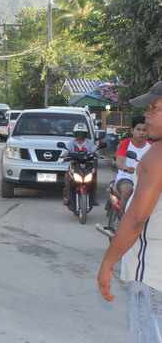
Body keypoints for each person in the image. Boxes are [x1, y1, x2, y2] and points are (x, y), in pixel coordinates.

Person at [98, 81, 162, 342]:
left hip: (153, 269)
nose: (146, 116)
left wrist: (108, 262)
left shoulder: (156, 157)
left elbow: (136, 218)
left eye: (154, 109)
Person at [114, 116, 150, 212]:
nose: (141, 133)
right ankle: (123, 220)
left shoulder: (151, 147)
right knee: (127, 190)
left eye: (144, 130)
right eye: (138, 129)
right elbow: (119, 161)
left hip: (144, 179)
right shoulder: (125, 144)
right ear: (132, 130)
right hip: (126, 177)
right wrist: (126, 168)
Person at [62, 123, 98, 207]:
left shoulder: (90, 143)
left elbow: (94, 151)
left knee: (93, 179)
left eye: (82, 133)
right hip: (74, 165)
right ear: (75, 134)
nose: (80, 136)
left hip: (87, 165)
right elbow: (67, 151)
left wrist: (96, 154)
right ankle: (67, 197)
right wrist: (64, 155)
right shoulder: (71, 143)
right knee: (68, 179)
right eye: (78, 133)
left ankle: (93, 199)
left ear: (85, 134)